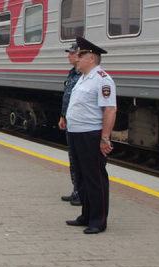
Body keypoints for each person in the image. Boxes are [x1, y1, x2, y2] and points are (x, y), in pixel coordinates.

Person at [64, 36, 117, 235]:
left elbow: (110, 109)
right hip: (77, 134)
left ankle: (98, 220)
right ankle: (86, 215)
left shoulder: (102, 79)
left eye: (81, 55)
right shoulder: (83, 78)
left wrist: (105, 138)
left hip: (91, 135)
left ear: (91, 58)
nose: (77, 59)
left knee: (95, 178)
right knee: (83, 177)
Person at [58, 43, 83, 207]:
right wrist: (63, 116)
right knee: (73, 158)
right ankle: (76, 189)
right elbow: (68, 97)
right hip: (70, 121)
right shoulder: (72, 73)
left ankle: (82, 193)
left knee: (81, 160)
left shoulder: (84, 76)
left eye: (72, 53)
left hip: (81, 124)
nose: (69, 55)